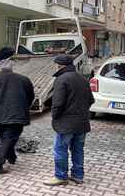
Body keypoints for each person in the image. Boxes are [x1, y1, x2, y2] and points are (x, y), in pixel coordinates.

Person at [43, 54, 95, 186]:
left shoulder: (61, 79)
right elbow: (91, 100)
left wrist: (55, 116)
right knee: (78, 149)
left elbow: (58, 104)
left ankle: (61, 176)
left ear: (60, 66)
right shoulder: (83, 79)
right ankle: (78, 175)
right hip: (82, 122)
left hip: (66, 124)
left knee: (60, 149)